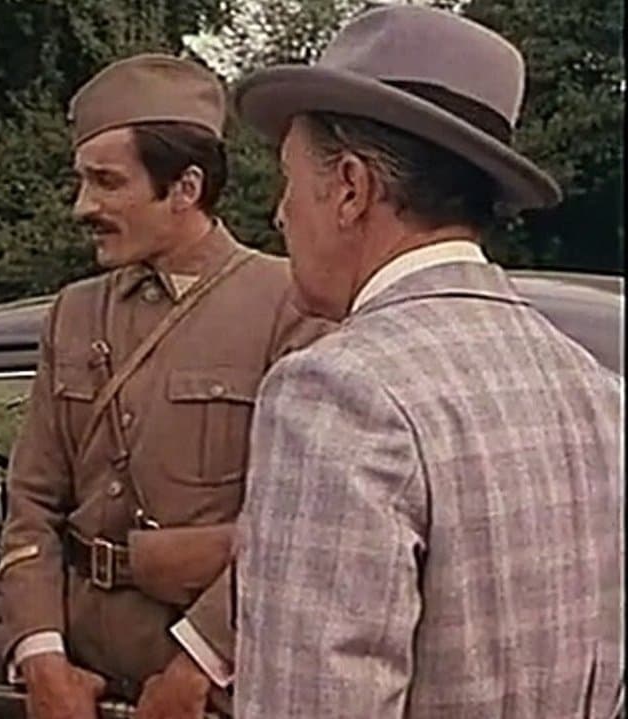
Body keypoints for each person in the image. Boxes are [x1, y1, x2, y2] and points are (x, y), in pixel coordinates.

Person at [230, 5, 624, 718]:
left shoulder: (337, 391)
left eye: (288, 180)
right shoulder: (594, 388)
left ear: (351, 188)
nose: (279, 214)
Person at [0, 53, 331, 719]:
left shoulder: (289, 306)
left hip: (210, 693)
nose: (82, 207)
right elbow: (32, 501)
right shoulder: (73, 312)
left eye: (107, 182)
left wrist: (198, 665)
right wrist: (41, 657)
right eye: (81, 181)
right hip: (80, 685)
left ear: (185, 187)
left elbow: (304, 526)